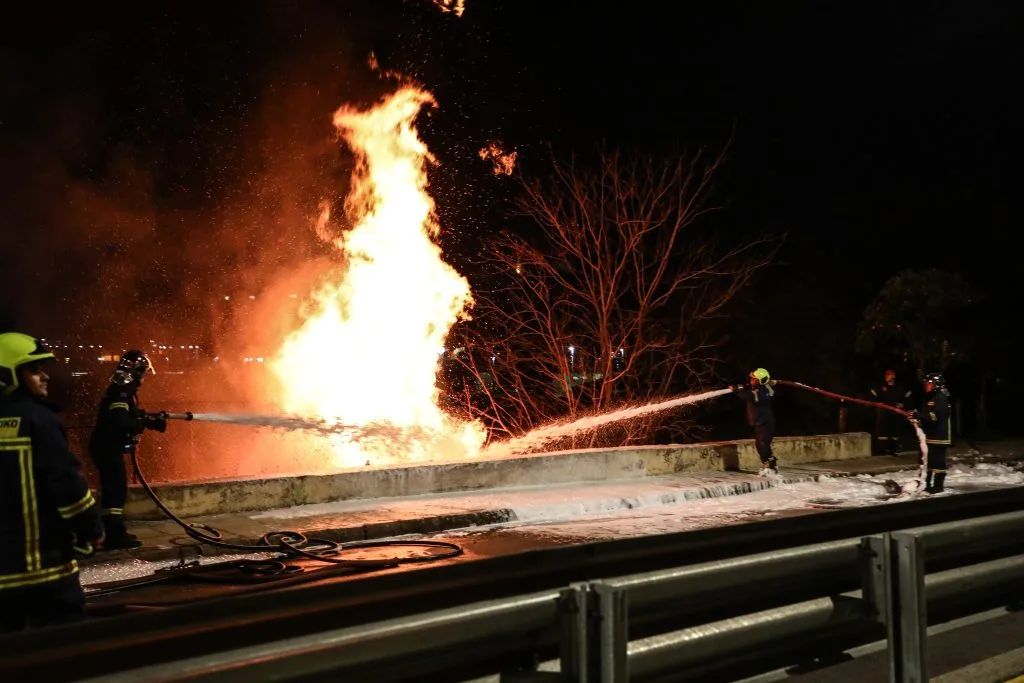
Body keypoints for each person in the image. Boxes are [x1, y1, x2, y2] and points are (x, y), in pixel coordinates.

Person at [0, 332, 104, 632]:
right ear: (7, 375)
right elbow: (69, 488)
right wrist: (91, 532)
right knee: (63, 657)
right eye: (34, 369)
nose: (44, 376)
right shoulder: (38, 421)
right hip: (44, 575)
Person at [87, 350, 166, 550]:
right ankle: (114, 536)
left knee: (114, 488)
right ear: (138, 371)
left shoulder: (121, 388)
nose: (144, 378)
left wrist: (147, 418)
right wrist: (144, 422)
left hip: (105, 446)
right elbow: (120, 421)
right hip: (107, 446)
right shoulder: (122, 390)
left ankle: (112, 532)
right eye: (143, 372)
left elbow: (125, 414)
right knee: (115, 490)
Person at [733, 367, 777, 475]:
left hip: (766, 423)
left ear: (759, 381)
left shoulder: (761, 392)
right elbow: (753, 391)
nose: (751, 380)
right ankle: (768, 463)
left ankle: (771, 465)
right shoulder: (764, 389)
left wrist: (737, 390)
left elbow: (748, 395)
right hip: (760, 423)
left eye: (753, 379)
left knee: (763, 444)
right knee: (759, 444)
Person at [912, 372, 951, 494]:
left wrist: (920, 417)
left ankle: (938, 486)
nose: (926, 386)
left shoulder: (941, 398)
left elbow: (935, 416)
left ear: (936, 384)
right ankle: (926, 484)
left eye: (929, 383)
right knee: (926, 461)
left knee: (937, 462)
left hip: (939, 437)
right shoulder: (931, 397)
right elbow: (926, 415)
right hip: (930, 435)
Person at [870, 369, 912, 455]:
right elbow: (872, 395)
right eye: (886, 375)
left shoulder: (900, 387)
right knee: (882, 431)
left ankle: (894, 449)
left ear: (894, 376)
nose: (887, 377)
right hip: (883, 412)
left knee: (895, 431)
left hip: (896, 413)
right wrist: (878, 403)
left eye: (889, 375)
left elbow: (909, 397)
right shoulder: (881, 387)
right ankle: (882, 450)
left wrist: (903, 405)